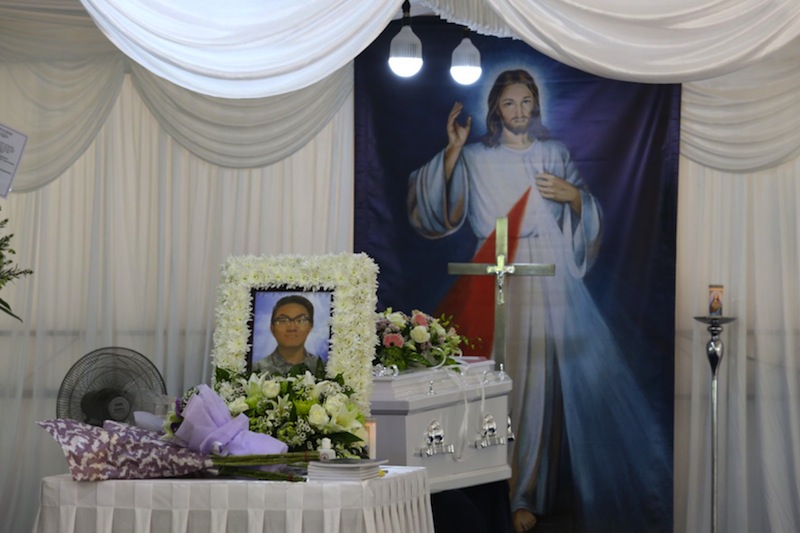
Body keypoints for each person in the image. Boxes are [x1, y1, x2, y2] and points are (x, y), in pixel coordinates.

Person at [408, 69, 670, 532]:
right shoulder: (473, 157)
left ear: (537, 106)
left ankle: (523, 491)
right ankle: (485, 487)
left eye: (527, 101)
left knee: (535, 386)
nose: (520, 112)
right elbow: (440, 215)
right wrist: (451, 151)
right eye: (510, 103)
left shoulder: (554, 153)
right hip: (490, 269)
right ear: (496, 109)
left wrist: (574, 198)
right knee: (485, 381)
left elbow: (587, 216)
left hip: (544, 275)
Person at [254, 294, 321, 376]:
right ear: (272, 328)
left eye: (300, 320)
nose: (292, 328)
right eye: (283, 320)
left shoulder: (321, 368)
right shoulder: (257, 369)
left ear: (311, 326)